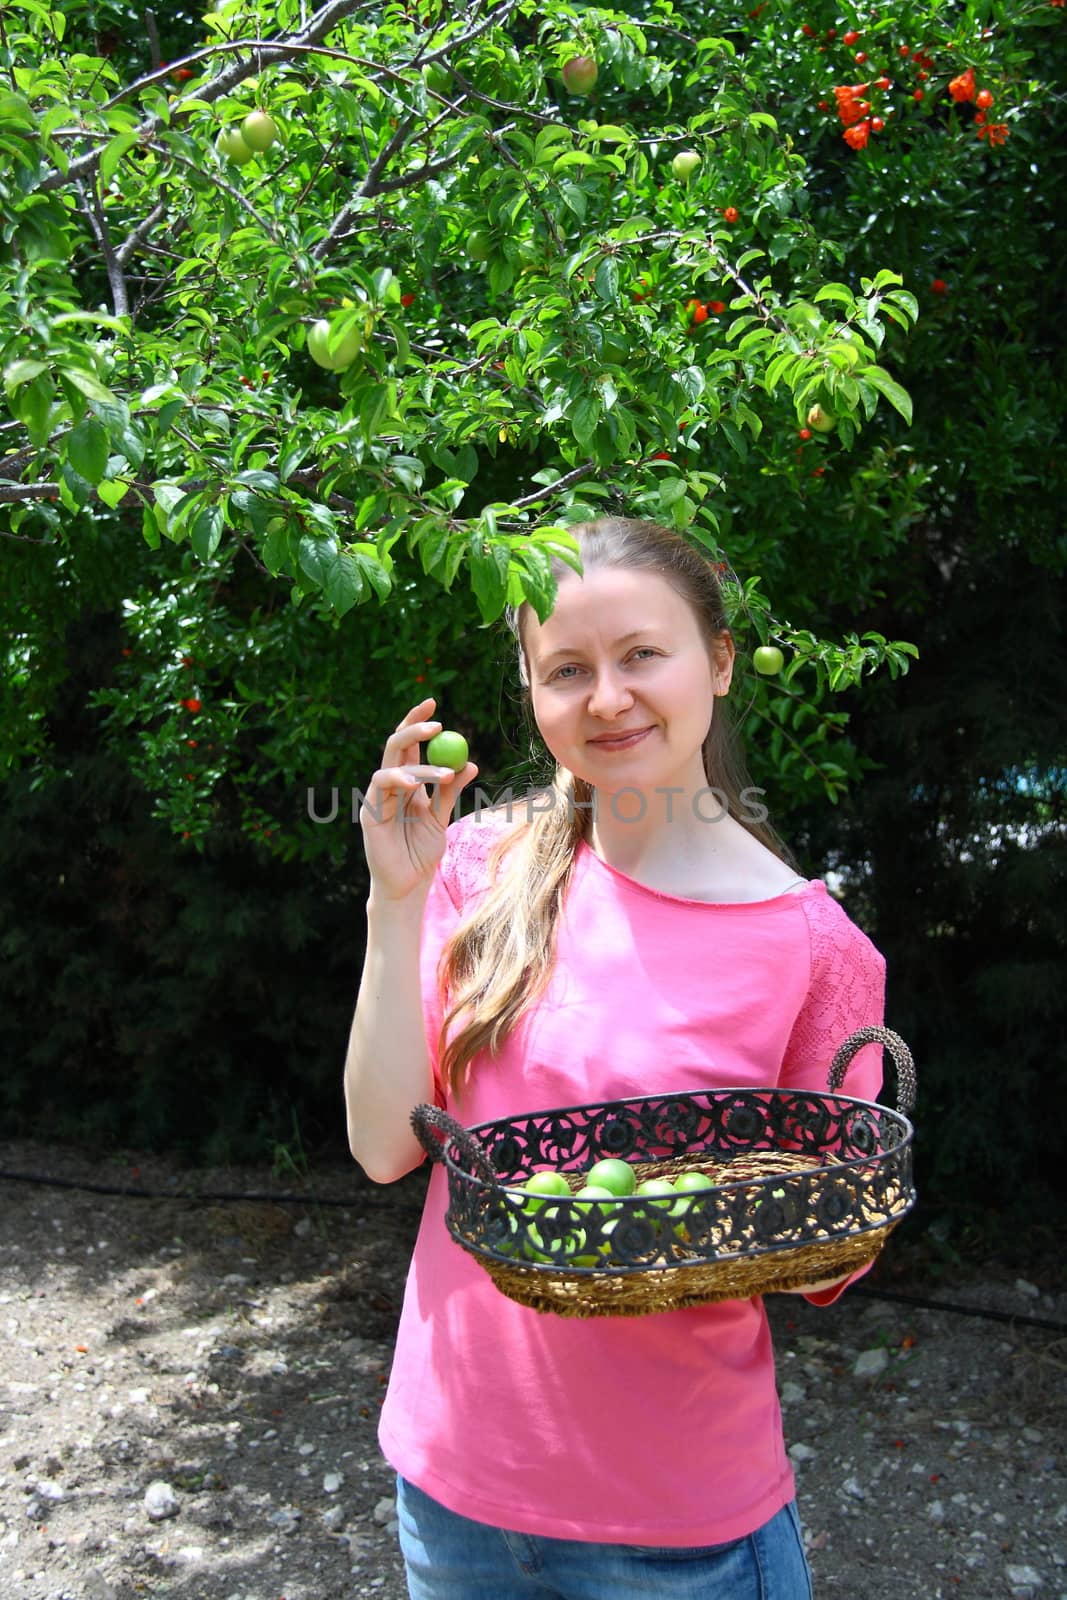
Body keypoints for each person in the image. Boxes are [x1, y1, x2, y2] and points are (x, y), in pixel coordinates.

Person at [344, 517, 887, 1598]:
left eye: (642, 653)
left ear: (718, 662)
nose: (606, 698)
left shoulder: (811, 946)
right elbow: (379, 1145)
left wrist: (747, 1217)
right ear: (530, 692)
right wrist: (391, 902)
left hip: (676, 1529)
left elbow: (836, 1257)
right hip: (451, 1491)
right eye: (566, 670)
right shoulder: (476, 863)